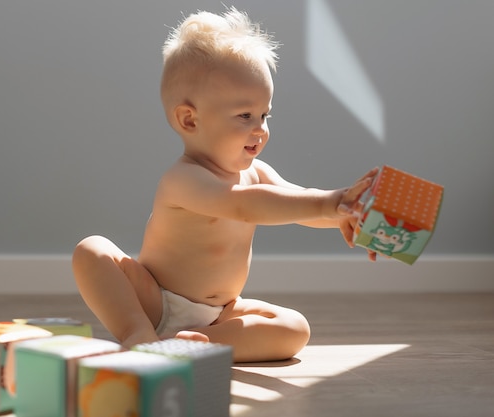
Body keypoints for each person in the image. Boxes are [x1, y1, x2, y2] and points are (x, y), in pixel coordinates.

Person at [72, 7, 378, 363]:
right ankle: (137, 332)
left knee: (294, 328)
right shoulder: (184, 179)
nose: (260, 128)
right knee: (91, 250)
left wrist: (345, 214)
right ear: (189, 119)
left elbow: (299, 204)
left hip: (221, 312)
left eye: (265, 114)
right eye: (245, 115)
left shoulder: (258, 173)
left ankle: (195, 343)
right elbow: (242, 204)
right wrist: (330, 202)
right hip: (155, 298)